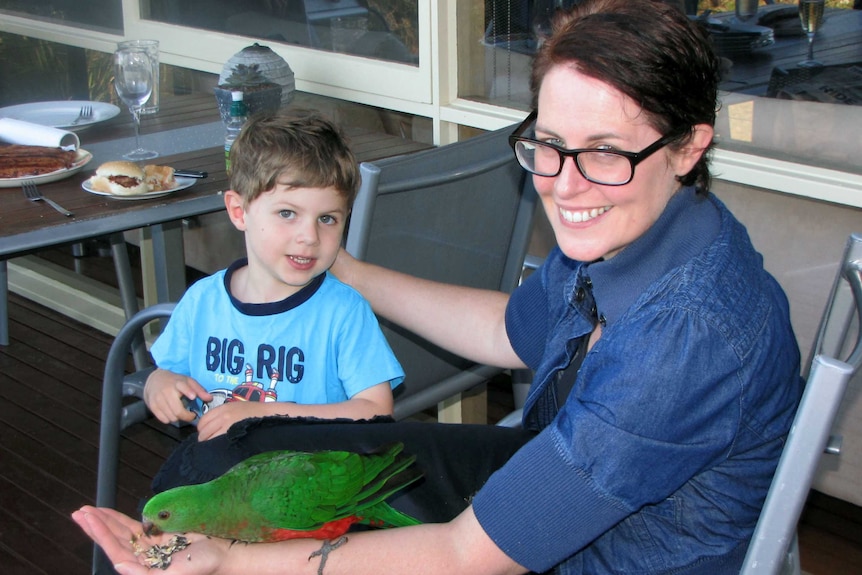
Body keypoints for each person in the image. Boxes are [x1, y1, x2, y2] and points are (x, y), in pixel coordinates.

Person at [73, 1, 803, 573]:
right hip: (546, 469)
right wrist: (344, 269)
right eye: (547, 145)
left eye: (605, 153)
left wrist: (235, 562)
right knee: (236, 451)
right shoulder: (642, 229)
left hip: (587, 553)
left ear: (689, 147)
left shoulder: (687, 336)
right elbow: (504, 331)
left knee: (233, 536)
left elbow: (463, 556)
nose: (564, 183)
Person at [141, 111, 404, 442]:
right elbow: (167, 372)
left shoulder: (344, 311)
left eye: (327, 219)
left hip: (314, 475)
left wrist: (265, 413)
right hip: (221, 473)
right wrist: (158, 384)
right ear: (240, 212)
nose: (309, 236)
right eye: (287, 213)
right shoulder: (202, 300)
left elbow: (377, 411)